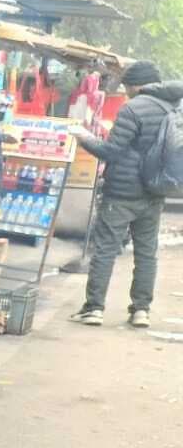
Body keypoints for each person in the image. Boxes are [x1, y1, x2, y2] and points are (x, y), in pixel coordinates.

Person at [69, 61, 180, 328]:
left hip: (121, 192)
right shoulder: (174, 107)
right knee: (146, 252)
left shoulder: (133, 108)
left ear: (138, 85)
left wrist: (83, 137)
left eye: (128, 86)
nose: (126, 90)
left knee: (106, 249)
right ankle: (141, 310)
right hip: (155, 191)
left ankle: (94, 308)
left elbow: (112, 151)